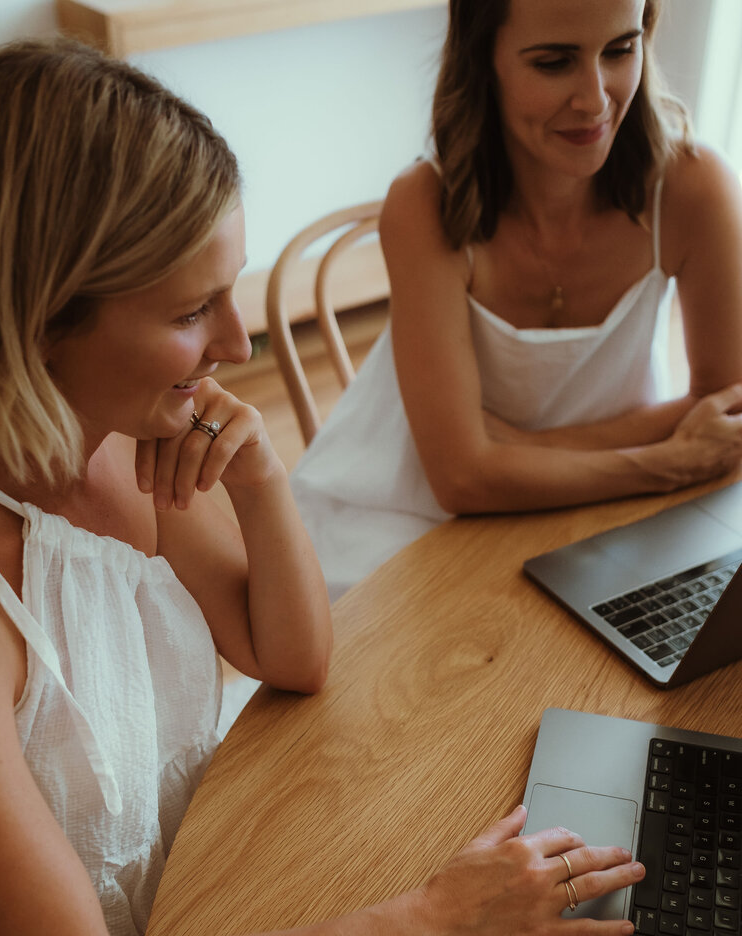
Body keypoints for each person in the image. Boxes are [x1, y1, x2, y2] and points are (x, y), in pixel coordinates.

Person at [0, 39, 644, 936]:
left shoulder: (114, 440)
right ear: (38, 318)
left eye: (235, 289)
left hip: (208, 910)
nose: (237, 343)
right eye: (191, 310)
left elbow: (293, 655)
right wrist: (429, 921)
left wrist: (261, 478)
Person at [290, 0, 742, 602]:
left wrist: (516, 446)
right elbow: (458, 480)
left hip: (599, 504)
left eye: (620, 50)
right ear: (484, 60)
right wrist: (662, 460)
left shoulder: (692, 186)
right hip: (403, 507)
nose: (596, 98)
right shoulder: (424, 203)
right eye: (554, 63)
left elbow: (727, 411)